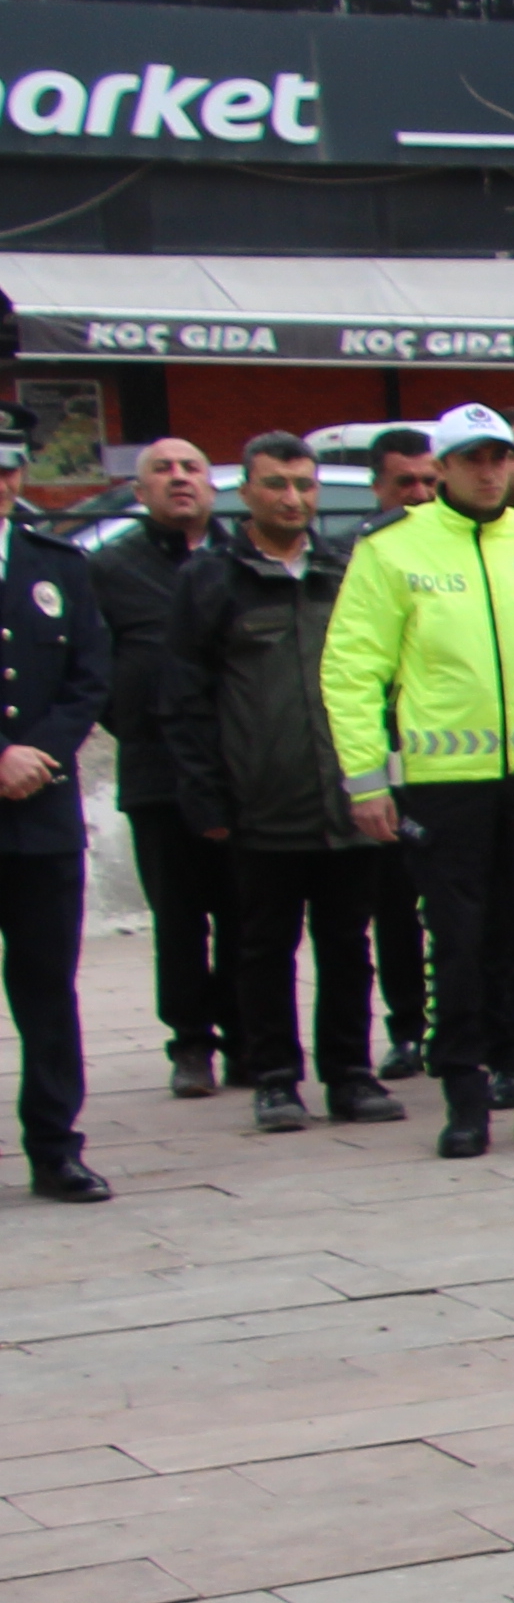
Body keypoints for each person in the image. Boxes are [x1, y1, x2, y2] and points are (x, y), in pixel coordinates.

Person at [323, 405, 514, 1159]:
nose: (492, 470)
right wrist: (366, 782)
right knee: (457, 941)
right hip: (443, 782)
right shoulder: (393, 549)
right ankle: (465, 1092)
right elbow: (354, 670)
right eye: (475, 458)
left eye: (502, 457)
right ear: (445, 467)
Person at [167, 438, 402, 1134]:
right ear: (246, 490)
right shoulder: (211, 579)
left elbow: (383, 679)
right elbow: (184, 699)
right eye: (275, 485)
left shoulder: (347, 569)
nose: (292, 499)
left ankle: (351, 1075)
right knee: (264, 946)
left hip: (348, 798)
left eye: (302, 484)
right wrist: (206, 796)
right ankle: (274, 1078)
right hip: (261, 802)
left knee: (348, 947)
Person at [86, 438, 230, 1099]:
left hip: (246, 770)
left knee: (250, 914)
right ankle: (192, 1044)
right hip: (159, 772)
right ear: (138, 492)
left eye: (192, 469)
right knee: (178, 916)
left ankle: (253, 1038)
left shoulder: (243, 555)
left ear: (213, 486)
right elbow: (92, 668)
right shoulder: (109, 569)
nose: (179, 479)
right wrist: (143, 719)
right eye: (162, 470)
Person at [1, 493, 112, 1202]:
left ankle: (54, 1146)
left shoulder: (58, 564)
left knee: (47, 987)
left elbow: (90, 674)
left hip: (41, 810)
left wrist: (35, 751)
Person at [357, 428, 436, 1079]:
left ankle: (464, 1027)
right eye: (404, 483)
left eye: (429, 482)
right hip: (386, 757)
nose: (417, 494)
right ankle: (407, 1027)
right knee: (393, 906)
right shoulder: (360, 559)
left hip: (452, 762)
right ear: (377, 488)